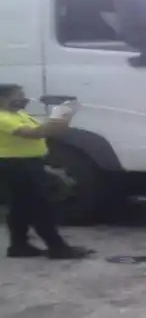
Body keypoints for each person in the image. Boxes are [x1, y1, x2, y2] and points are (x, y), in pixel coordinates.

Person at [0, 84, 93, 259]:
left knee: (20, 207)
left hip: (28, 163)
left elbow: (52, 132)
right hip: (15, 165)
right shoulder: (3, 118)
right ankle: (57, 248)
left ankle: (18, 246)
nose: (24, 98)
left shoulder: (19, 114)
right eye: (18, 95)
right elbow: (34, 134)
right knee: (40, 206)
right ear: (2, 99)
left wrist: (65, 116)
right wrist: (59, 115)